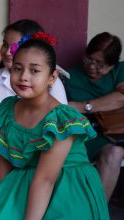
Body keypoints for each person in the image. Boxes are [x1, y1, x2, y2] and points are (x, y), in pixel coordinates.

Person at [0, 36, 109, 220]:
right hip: (25, 184)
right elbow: (5, 164)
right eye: (17, 69)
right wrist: (4, 203)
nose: (24, 76)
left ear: (52, 78)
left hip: (66, 190)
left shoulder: (61, 119)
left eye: (34, 70)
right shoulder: (7, 110)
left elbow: (45, 180)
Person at [0, 19, 68, 143]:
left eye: (15, 46)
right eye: (5, 45)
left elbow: (59, 132)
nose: (8, 52)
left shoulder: (52, 84)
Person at [64, 32, 124, 201]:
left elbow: (122, 97)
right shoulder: (69, 76)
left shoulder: (120, 70)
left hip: (114, 135)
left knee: (115, 153)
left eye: (100, 64)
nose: (92, 67)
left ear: (112, 65)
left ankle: (99, 211)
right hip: (84, 135)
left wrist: (83, 106)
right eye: (89, 59)